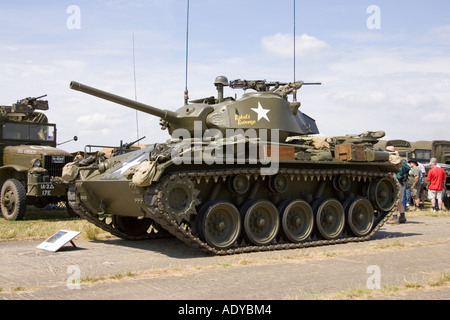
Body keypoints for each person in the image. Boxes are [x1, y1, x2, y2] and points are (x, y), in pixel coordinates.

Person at [386, 146, 409, 224]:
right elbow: (408, 168)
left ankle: (395, 218)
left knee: (393, 200)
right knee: (400, 201)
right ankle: (402, 217)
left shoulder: (390, 160)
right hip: (402, 181)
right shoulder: (402, 161)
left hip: (395, 181)